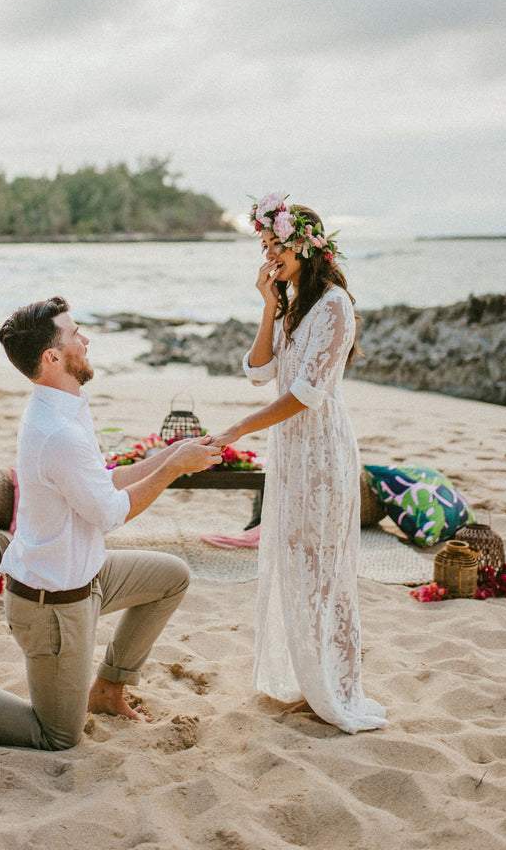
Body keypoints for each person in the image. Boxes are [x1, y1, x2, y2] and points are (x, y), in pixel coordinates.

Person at [0, 296, 222, 749]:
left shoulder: (66, 406)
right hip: (52, 605)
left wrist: (168, 455)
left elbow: (101, 482)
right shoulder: (56, 431)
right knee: (58, 735)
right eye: (75, 334)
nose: (86, 339)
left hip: (88, 577)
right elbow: (109, 513)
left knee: (172, 576)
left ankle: (107, 689)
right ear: (53, 357)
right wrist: (175, 468)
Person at [211, 194, 386, 733]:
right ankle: (310, 680)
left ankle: (335, 683)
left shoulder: (334, 305)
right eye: (264, 246)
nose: (268, 255)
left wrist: (240, 427)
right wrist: (268, 304)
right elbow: (259, 372)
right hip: (289, 451)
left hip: (322, 450)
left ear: (304, 246)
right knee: (295, 562)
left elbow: (307, 394)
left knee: (324, 568)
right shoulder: (294, 304)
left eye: (274, 245)